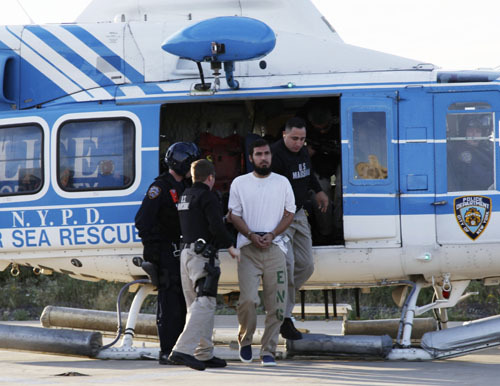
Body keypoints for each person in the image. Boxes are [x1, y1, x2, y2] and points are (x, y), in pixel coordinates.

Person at [228, 138, 295, 366]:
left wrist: (273, 234)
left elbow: (290, 213)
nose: (263, 158)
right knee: (247, 300)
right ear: (250, 158)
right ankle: (245, 341)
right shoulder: (239, 183)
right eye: (258, 154)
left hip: (275, 248)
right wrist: (250, 235)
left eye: (266, 153)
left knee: (277, 303)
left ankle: (269, 350)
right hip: (248, 249)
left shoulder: (282, 182)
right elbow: (233, 215)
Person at [168, 159, 240, 371]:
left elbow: (198, 220)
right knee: (206, 302)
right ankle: (182, 350)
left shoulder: (185, 195)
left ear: (192, 176)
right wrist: (231, 245)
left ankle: (204, 353)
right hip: (202, 257)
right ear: (210, 178)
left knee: (196, 306)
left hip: (186, 255)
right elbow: (215, 227)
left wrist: (221, 219)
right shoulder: (208, 196)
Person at [134, 142, 200, 365]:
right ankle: (166, 350)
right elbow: (142, 221)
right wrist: (155, 251)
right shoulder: (160, 188)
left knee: (182, 300)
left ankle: (179, 349)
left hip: (181, 252)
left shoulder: (185, 188)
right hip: (164, 253)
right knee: (169, 302)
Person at [271, 117, 329, 340]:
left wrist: (319, 191)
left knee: (305, 265)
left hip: (299, 213)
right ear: (284, 135)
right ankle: (284, 317)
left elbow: (308, 174)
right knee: (288, 266)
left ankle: (280, 298)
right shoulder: (274, 156)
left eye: (302, 139)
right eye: (294, 138)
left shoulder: (303, 152)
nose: (298, 143)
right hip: (280, 217)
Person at [305, 104, 341, 240]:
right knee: (319, 195)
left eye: (325, 128)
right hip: (319, 165)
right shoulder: (306, 128)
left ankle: (339, 229)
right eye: (318, 128)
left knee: (342, 190)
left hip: (341, 161)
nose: (322, 132)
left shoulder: (341, 124)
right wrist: (306, 153)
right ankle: (326, 232)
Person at [447, 119, 494, 191]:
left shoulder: (482, 148)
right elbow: (483, 178)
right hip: (473, 194)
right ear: (464, 133)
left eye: (478, 131)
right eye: (470, 131)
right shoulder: (463, 152)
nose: (474, 135)